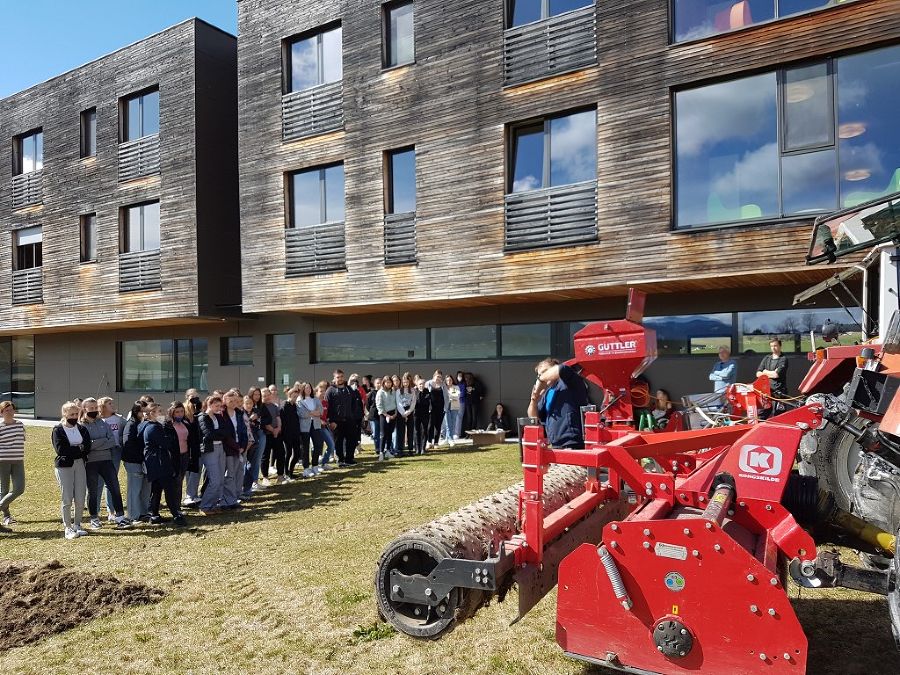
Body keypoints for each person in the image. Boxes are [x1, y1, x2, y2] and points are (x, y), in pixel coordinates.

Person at [81, 398, 130, 530]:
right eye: (90, 408)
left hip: (106, 460)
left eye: (95, 407)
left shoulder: (102, 423)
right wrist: (101, 442)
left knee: (114, 487)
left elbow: (111, 441)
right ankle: (94, 518)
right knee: (93, 490)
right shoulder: (82, 426)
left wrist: (95, 443)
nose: (94, 410)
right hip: (91, 462)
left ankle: (119, 516)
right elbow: (86, 446)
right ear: (84, 409)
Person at [139, 403, 186, 526]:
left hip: (155, 461)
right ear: (152, 414)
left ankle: (154, 514)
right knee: (169, 489)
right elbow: (166, 443)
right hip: (159, 462)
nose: (162, 414)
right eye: (159, 411)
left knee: (157, 489)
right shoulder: (153, 427)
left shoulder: (152, 426)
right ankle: (176, 514)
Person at [527, 358, 589, 449]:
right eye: (539, 375)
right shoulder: (547, 393)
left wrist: (540, 380)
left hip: (572, 443)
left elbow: (562, 368)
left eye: (545, 372)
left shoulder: (569, 382)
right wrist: (534, 400)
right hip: (555, 444)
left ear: (554, 368)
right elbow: (533, 417)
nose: (543, 376)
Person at [51, 401, 92, 539]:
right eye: (72, 414)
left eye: (76, 414)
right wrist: (78, 449)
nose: (75, 416)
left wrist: (77, 450)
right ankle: (67, 527)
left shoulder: (82, 429)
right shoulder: (58, 430)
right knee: (67, 497)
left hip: (80, 464)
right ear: (65, 414)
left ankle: (77, 525)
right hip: (64, 467)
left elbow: (87, 447)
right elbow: (61, 450)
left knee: (80, 496)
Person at [198, 395, 227, 515]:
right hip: (210, 450)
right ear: (209, 405)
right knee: (214, 480)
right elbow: (209, 434)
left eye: (220, 406)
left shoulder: (218, 416)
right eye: (216, 406)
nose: (219, 408)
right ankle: (205, 505)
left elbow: (226, 431)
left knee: (220, 479)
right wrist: (220, 434)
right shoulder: (202, 417)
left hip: (220, 448)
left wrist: (219, 434)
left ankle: (214, 504)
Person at [167, 401, 200, 508]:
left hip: (184, 455)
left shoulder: (186, 424)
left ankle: (177, 505)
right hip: (173, 457)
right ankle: (174, 506)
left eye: (182, 411)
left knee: (180, 481)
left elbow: (191, 440)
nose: (180, 414)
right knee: (174, 481)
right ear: (172, 413)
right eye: (177, 412)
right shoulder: (168, 425)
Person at [122, 401, 151, 522]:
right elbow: (128, 443)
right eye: (143, 411)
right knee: (135, 489)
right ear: (136, 412)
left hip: (144, 461)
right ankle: (133, 515)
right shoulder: (131, 425)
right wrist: (140, 456)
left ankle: (143, 512)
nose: (146, 414)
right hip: (134, 461)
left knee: (145, 488)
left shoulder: (146, 423)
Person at [220, 390, 249, 509]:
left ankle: (234, 498)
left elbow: (243, 431)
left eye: (235, 401)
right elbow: (225, 434)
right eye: (230, 401)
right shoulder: (222, 414)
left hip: (239, 448)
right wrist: (236, 447)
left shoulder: (239, 413)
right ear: (225, 401)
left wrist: (242, 446)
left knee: (237, 473)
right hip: (228, 449)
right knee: (229, 475)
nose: (233, 403)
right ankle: (228, 500)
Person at [0, 401, 26, 530]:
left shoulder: (20, 424)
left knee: (19, 489)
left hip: (18, 461)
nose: (10, 412)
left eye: (11, 410)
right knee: (4, 490)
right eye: (6, 410)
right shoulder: (0, 426)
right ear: (1, 413)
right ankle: (6, 516)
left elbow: (22, 440)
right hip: (2, 461)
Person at [98, 397, 125, 521]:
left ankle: (111, 511)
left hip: (115, 452)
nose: (112, 405)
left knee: (111, 482)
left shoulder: (119, 419)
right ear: (102, 407)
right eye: (109, 403)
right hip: (101, 453)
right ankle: (95, 511)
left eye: (112, 402)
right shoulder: (98, 420)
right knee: (98, 483)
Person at [326, 369, 358, 466]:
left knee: (352, 440)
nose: (340, 379)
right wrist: (331, 421)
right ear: (334, 378)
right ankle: (340, 460)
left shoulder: (349, 389)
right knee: (338, 442)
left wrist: (352, 416)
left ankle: (349, 459)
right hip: (336, 421)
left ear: (344, 377)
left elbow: (354, 404)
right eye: (337, 377)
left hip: (349, 420)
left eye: (341, 377)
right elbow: (327, 407)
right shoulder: (330, 390)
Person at [245, 387, 270, 491]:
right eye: (255, 394)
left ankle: (254, 481)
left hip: (260, 433)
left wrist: (259, 419)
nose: (257, 396)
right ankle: (247, 483)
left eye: (258, 394)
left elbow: (269, 418)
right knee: (248, 460)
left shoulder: (261, 406)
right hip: (249, 436)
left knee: (257, 458)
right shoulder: (245, 406)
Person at [298, 383, 325, 477]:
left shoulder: (316, 399)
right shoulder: (300, 400)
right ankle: (306, 468)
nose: (308, 389)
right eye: (306, 388)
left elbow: (321, 411)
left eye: (309, 387)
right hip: (305, 427)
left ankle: (315, 465)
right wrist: (314, 413)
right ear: (303, 389)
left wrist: (310, 413)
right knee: (305, 447)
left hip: (316, 425)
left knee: (318, 444)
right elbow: (302, 414)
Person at [757, 338, 789, 415]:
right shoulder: (766, 358)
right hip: (766, 392)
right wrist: (771, 372)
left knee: (778, 416)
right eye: (771, 346)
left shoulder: (783, 359)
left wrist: (765, 372)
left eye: (775, 346)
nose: (773, 348)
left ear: (780, 346)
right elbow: (758, 374)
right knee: (761, 415)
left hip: (779, 393)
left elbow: (776, 375)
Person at [183, 393, 204, 505]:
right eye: (192, 398)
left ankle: (193, 494)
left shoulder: (199, 411)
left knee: (197, 470)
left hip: (197, 446)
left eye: (197, 397)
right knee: (189, 471)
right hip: (187, 447)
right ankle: (189, 495)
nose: (195, 400)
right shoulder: (183, 412)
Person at [281, 386, 303, 479]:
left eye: (296, 397)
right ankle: (286, 473)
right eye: (293, 396)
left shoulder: (295, 406)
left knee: (297, 453)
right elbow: (283, 421)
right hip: (287, 434)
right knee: (288, 453)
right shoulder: (284, 405)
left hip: (295, 433)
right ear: (289, 395)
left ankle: (291, 471)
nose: (295, 398)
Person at [262, 388, 284, 481]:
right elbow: (264, 422)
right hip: (266, 434)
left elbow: (278, 418)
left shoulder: (274, 406)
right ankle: (265, 477)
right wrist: (273, 430)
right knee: (265, 456)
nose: (266, 397)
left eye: (268, 395)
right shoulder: (261, 407)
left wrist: (278, 428)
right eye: (264, 396)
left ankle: (280, 475)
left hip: (277, 433)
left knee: (281, 453)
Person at [317, 381, 339, 468]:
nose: (322, 393)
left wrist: (330, 422)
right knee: (316, 446)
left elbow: (327, 415)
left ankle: (324, 462)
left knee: (331, 445)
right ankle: (315, 465)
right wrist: (319, 420)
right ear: (316, 392)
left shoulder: (326, 402)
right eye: (320, 391)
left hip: (324, 427)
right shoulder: (314, 402)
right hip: (315, 427)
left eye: (324, 391)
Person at [376, 375, 399, 460]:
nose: (389, 384)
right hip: (384, 414)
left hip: (393, 414)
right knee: (383, 434)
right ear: (384, 383)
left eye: (390, 382)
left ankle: (388, 451)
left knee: (390, 433)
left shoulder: (393, 391)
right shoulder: (380, 392)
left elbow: (396, 403)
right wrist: (387, 415)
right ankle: (381, 452)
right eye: (387, 382)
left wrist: (395, 414)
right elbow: (379, 406)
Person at [426, 370, 448, 449]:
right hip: (431, 409)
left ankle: (436, 442)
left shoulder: (443, 385)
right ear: (434, 376)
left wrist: (445, 408)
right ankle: (429, 442)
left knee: (438, 426)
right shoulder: (428, 383)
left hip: (440, 408)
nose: (439, 378)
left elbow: (446, 397)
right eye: (437, 376)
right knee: (430, 425)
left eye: (440, 377)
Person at [395, 372, 415, 456]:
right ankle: (400, 449)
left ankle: (410, 449)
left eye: (407, 382)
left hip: (409, 411)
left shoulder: (412, 391)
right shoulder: (399, 391)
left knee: (410, 431)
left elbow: (413, 402)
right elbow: (398, 403)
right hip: (401, 412)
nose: (405, 384)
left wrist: (409, 411)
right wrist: (403, 413)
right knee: (401, 431)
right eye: (404, 382)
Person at [348, 373, 365, 456]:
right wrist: (350, 379)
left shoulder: (358, 392)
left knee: (358, 432)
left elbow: (361, 404)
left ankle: (358, 446)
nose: (354, 384)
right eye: (352, 383)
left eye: (355, 383)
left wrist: (362, 414)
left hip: (358, 416)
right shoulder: (348, 392)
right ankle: (353, 448)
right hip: (351, 417)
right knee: (352, 433)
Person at [413, 377, 431, 455]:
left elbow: (428, 403)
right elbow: (414, 403)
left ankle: (423, 448)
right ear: (417, 385)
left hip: (425, 414)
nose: (421, 385)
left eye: (423, 384)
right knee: (416, 431)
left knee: (424, 431)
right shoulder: (414, 392)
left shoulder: (427, 393)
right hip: (416, 414)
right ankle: (417, 448)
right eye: (420, 384)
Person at [366, 377, 383, 453]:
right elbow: (367, 405)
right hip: (374, 416)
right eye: (377, 383)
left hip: (382, 415)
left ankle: (383, 448)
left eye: (380, 383)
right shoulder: (372, 393)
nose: (379, 384)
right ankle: (377, 448)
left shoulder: (384, 392)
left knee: (382, 433)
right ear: (375, 384)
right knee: (376, 433)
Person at [444, 375, 461, 446]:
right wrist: (450, 397)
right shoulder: (444, 388)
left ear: (452, 380)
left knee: (453, 423)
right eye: (447, 380)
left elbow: (457, 396)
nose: (449, 381)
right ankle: (448, 439)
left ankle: (450, 439)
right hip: (446, 407)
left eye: (450, 380)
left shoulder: (455, 387)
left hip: (454, 407)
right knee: (448, 424)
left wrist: (450, 396)